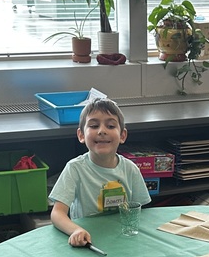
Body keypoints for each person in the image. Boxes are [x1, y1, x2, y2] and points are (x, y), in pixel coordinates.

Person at [49, 97, 151, 247]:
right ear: (81, 135)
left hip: (122, 241)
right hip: (88, 241)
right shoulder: (75, 168)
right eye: (94, 125)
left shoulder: (130, 169)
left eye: (110, 126)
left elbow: (143, 212)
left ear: (122, 135)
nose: (102, 131)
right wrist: (75, 230)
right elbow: (57, 213)